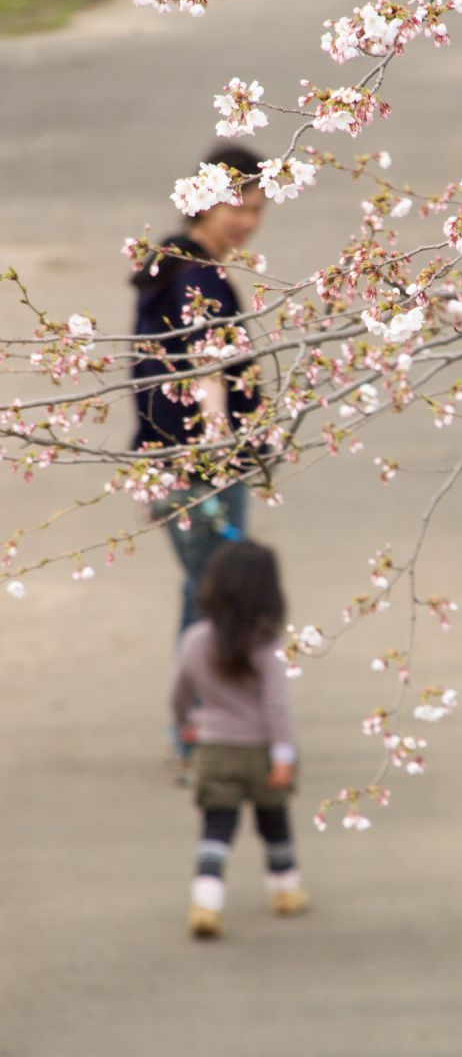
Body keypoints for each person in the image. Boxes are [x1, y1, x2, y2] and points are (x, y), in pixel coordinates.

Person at [131, 144, 266, 634]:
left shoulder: (168, 265)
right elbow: (209, 354)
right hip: (204, 465)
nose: (247, 222)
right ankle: (197, 709)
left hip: (171, 457)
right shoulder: (200, 277)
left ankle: (195, 707)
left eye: (256, 210)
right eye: (238, 206)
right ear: (206, 200)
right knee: (216, 595)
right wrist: (216, 436)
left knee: (204, 589)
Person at [170, 540, 309, 938]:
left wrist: (188, 726)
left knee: (217, 827)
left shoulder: (196, 640)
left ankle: (206, 901)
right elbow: (277, 705)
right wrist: (284, 753)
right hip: (262, 751)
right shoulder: (267, 646)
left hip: (215, 750)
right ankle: (285, 889)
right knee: (274, 821)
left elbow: (177, 696)